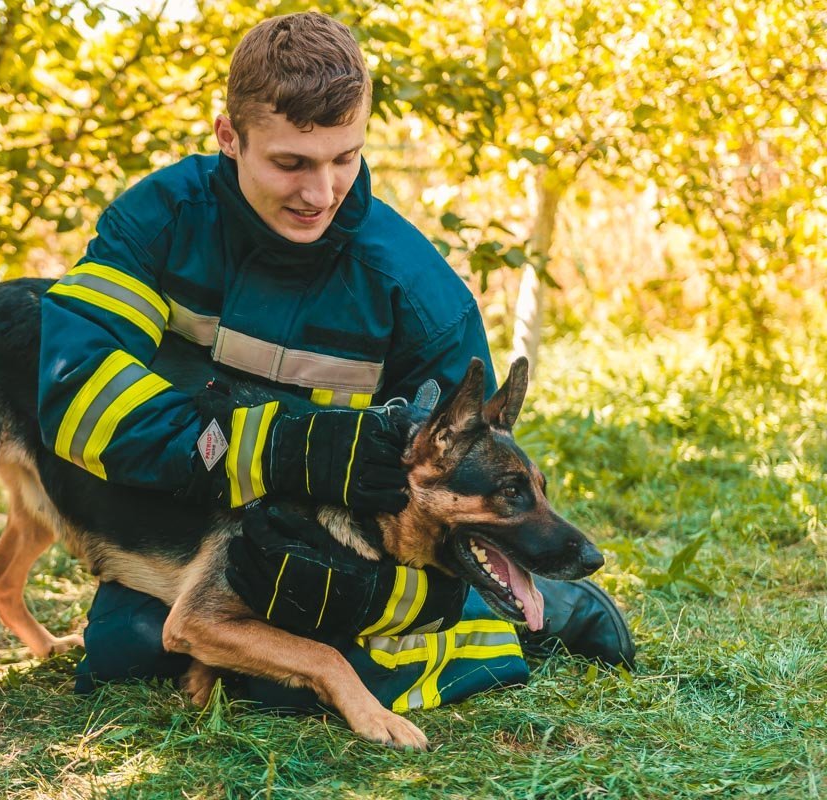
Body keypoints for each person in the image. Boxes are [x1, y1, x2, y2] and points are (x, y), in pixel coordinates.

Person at [37, 11, 634, 713]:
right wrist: (272, 448)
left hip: (344, 548)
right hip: (191, 513)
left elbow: (457, 481)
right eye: (291, 163)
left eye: (344, 158)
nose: (321, 194)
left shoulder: (421, 297)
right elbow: (73, 395)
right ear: (229, 136)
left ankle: (540, 606)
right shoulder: (155, 224)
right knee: (131, 652)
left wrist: (368, 594)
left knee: (280, 681)